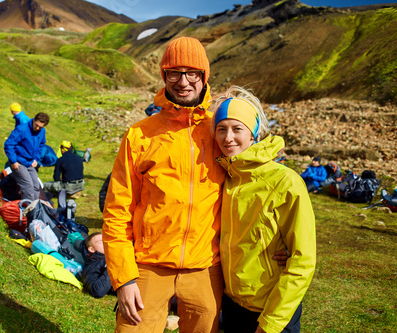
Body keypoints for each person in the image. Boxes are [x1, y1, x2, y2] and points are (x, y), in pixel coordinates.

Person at [102, 37, 289, 333]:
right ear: (164, 76)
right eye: (174, 72)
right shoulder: (139, 135)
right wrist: (123, 278)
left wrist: (279, 241)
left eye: (193, 73)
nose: (184, 82)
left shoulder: (220, 130)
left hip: (207, 268)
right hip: (148, 265)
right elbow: (116, 211)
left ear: (204, 77)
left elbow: (258, 184)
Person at [211, 86, 316, 333]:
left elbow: (303, 260)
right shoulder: (225, 177)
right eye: (221, 129)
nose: (228, 138)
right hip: (233, 305)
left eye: (237, 129)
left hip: (271, 309)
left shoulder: (285, 181)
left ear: (254, 133)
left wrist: (271, 323)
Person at [4, 112, 49, 201]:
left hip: (30, 162)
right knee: (28, 186)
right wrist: (13, 161)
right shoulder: (22, 129)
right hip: (18, 162)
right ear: (34, 120)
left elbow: (41, 144)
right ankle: (28, 210)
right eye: (36, 125)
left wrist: (36, 159)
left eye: (40, 127)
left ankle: (36, 207)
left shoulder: (42, 131)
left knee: (36, 185)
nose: (37, 128)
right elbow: (9, 144)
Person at [74, 232, 114, 298]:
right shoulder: (93, 266)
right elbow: (97, 291)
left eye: (106, 239)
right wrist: (112, 264)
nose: (106, 242)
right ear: (91, 249)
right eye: (100, 242)